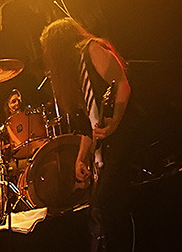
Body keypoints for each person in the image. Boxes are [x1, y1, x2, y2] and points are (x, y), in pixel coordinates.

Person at [40, 17, 133, 251]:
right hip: (107, 144)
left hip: (125, 133)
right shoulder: (76, 72)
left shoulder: (92, 49)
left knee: (101, 207)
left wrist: (115, 121)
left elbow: (122, 84)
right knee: (99, 208)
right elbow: (89, 125)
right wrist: (81, 158)